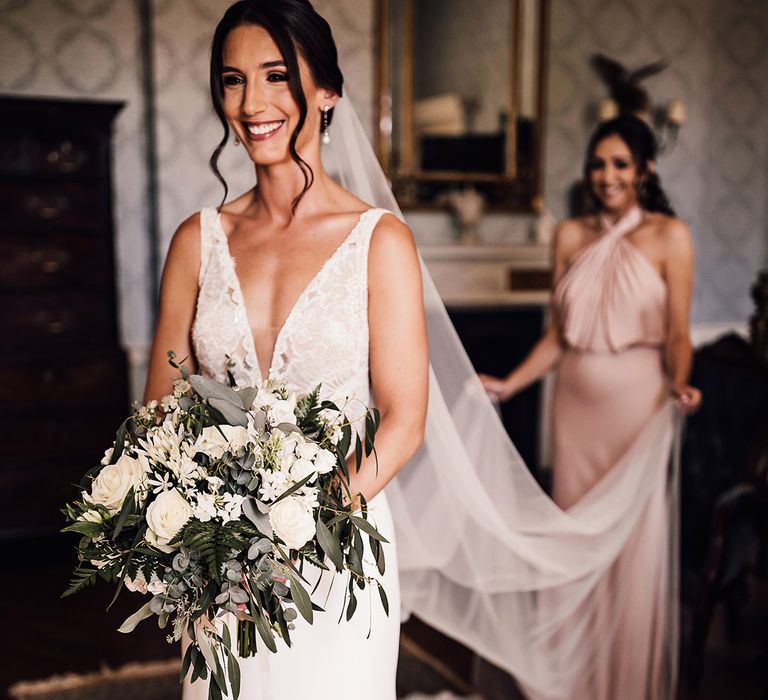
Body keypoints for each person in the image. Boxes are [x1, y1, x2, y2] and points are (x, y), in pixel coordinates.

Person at [142, 2, 429, 698]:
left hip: (338, 544)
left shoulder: (379, 241)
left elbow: (404, 421)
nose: (253, 102)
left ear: (327, 92)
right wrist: (214, 542)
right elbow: (157, 411)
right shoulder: (196, 240)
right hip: (218, 553)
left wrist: (299, 533)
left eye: (277, 75)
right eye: (233, 79)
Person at [480, 115, 701, 698]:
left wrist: (680, 383)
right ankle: (570, 681)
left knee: (630, 548)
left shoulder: (670, 237)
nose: (607, 176)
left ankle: (621, 684)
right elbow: (557, 336)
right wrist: (508, 383)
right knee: (575, 541)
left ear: (645, 170)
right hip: (575, 410)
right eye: (599, 164)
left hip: (639, 408)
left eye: (621, 164)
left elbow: (679, 333)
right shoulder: (570, 236)